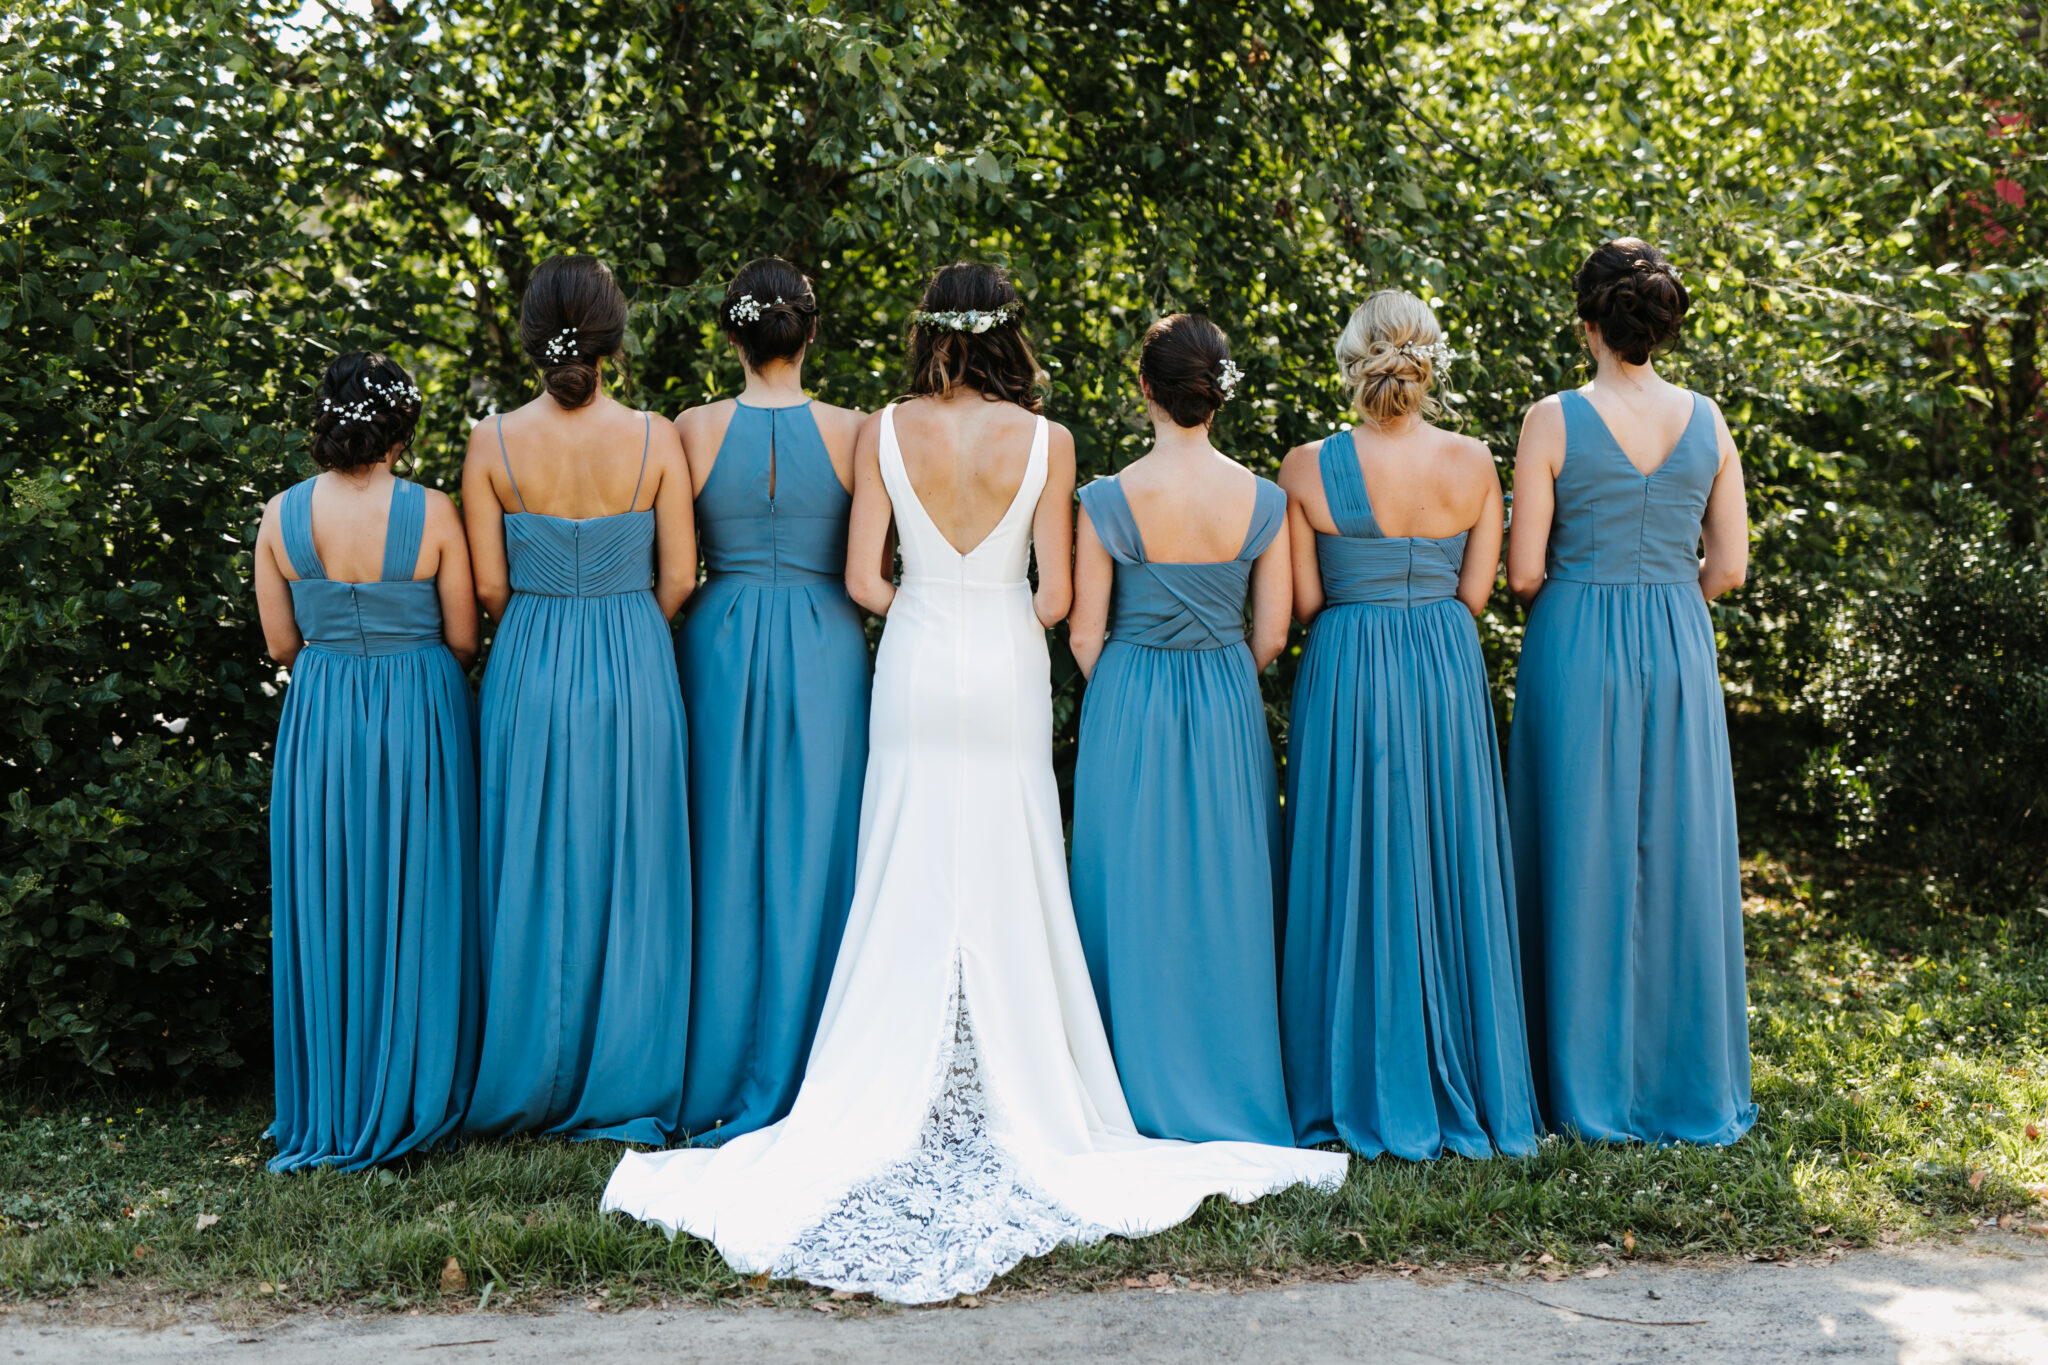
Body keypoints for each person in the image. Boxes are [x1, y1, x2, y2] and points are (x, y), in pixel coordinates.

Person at [601, 263, 1344, 1304]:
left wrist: (929, 602)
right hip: (1000, 660)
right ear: (1009, 335)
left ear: (927, 333)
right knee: (1010, 855)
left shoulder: (884, 431)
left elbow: (863, 581)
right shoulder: (1048, 443)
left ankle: (887, 1066)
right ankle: (1016, 1070)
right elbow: (1053, 597)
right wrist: (984, 606)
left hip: (912, 658)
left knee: (902, 856)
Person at [1276, 289, 1541, 1160]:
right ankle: (1458, 1067)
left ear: (1353, 359)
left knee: (1350, 852)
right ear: (1430, 361)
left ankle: (1348, 1075)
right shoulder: (1474, 463)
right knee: (1446, 849)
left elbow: (1307, 601)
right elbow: (1474, 595)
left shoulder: (1306, 467)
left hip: (1347, 663)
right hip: (1442, 662)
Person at [1505, 239, 1755, 1146]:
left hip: (1576, 638)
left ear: (1589, 325)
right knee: (1679, 851)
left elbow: (1524, 570)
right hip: (1678, 639)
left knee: (1577, 844)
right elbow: (1727, 565)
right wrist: (1666, 593)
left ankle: (1576, 1082)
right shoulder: (1709, 418)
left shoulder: (1554, 418)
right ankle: (1681, 1079)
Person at [461, 255, 698, 1143]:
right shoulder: (653, 436)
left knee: (531, 863)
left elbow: (489, 589)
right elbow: (679, 575)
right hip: (634, 654)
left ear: (534, 337)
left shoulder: (491, 442)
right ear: (613, 340)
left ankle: (529, 1072)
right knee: (632, 862)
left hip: (531, 656)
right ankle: (626, 1073)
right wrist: (625, 613)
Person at [1067, 314, 1294, 1146]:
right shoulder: (1266, 499)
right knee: (1229, 884)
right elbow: (1271, 633)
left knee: (1127, 879)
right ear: (1218, 392)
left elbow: (1085, 634)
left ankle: (1120, 1083)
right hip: (1226, 694)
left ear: (1145, 390)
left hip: (1129, 693)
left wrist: (1136, 681)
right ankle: (1230, 1076)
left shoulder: (1106, 498)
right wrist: (1215, 675)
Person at [255, 352, 482, 1170]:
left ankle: (335, 1098)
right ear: (400, 427)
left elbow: (281, 642)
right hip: (418, 703)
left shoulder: (279, 516)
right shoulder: (434, 511)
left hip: (323, 713)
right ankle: (417, 1088)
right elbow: (463, 637)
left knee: (334, 891)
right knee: (419, 888)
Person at [670, 258, 871, 1142]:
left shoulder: (691, 428)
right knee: (820, 844)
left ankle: (715, 1059)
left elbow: (675, 563)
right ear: (811, 332)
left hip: (719, 640)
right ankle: (819, 1056)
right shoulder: (858, 430)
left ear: (733, 336)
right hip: (828, 639)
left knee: (723, 842)